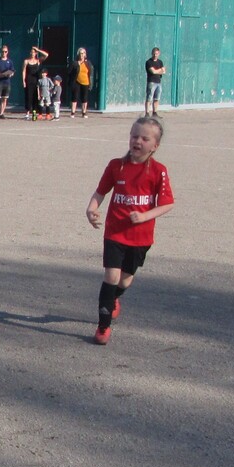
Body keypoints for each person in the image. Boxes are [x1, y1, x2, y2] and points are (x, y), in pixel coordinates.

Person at [85, 117, 174, 345]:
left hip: (140, 237)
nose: (138, 141)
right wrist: (91, 209)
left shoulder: (159, 171)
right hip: (115, 233)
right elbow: (100, 192)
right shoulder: (117, 166)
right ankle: (103, 327)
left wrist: (144, 216)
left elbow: (167, 204)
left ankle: (114, 299)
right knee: (111, 276)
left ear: (155, 146)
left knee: (124, 281)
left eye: (145, 138)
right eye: (135, 136)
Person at [22, 46, 49, 120]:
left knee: (35, 97)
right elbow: (24, 71)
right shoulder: (26, 61)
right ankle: (27, 113)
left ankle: (34, 113)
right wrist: (23, 81)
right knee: (28, 96)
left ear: (36, 53)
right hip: (28, 80)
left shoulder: (38, 61)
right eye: (31, 52)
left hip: (36, 81)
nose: (32, 54)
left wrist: (38, 50)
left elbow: (46, 55)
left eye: (34, 52)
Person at [68, 47, 94, 118]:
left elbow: (90, 73)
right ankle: (73, 112)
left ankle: (84, 112)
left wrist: (90, 83)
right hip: (76, 81)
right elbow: (69, 72)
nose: (82, 55)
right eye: (81, 53)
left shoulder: (88, 63)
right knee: (74, 97)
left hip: (85, 82)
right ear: (78, 54)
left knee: (84, 97)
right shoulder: (75, 63)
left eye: (83, 53)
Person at [144, 47, 166, 117]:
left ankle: (155, 113)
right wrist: (160, 70)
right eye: (154, 54)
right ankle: (147, 113)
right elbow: (153, 72)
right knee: (149, 98)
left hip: (158, 82)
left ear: (159, 54)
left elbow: (164, 72)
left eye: (156, 54)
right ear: (152, 53)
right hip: (151, 82)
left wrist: (158, 71)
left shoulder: (160, 62)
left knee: (157, 98)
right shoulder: (148, 62)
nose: (155, 55)